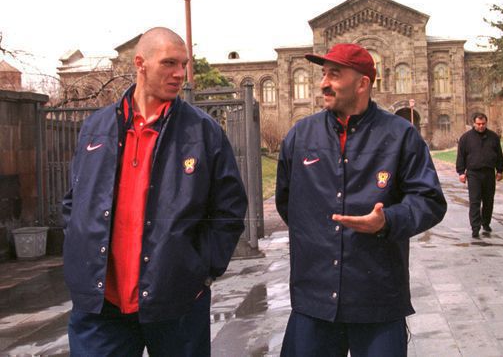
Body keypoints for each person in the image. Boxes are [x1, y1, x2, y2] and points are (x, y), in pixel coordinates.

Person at [61, 27, 248, 356]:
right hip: (101, 308)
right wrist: (80, 255)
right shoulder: (96, 127)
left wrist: (200, 271)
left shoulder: (202, 131)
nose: (180, 73)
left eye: (183, 64)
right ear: (140, 64)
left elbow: (229, 210)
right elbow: (74, 202)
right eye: (169, 63)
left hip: (177, 303)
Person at [275, 43, 447, 356]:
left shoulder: (400, 135)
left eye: (334, 74)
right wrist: (319, 237)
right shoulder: (300, 135)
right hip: (314, 300)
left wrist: (388, 221)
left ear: (362, 83)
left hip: (377, 299)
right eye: (324, 74)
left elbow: (430, 200)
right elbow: (287, 203)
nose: (323, 83)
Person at [456, 113, 503, 238]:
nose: (481, 126)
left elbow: (499, 155)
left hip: (489, 172)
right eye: (478, 124)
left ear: (486, 123)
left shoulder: (493, 137)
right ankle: (475, 227)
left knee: (488, 200)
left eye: (483, 124)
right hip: (473, 173)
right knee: (475, 201)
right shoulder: (466, 138)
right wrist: (461, 172)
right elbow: (461, 156)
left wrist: (500, 170)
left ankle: (486, 222)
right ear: (474, 123)